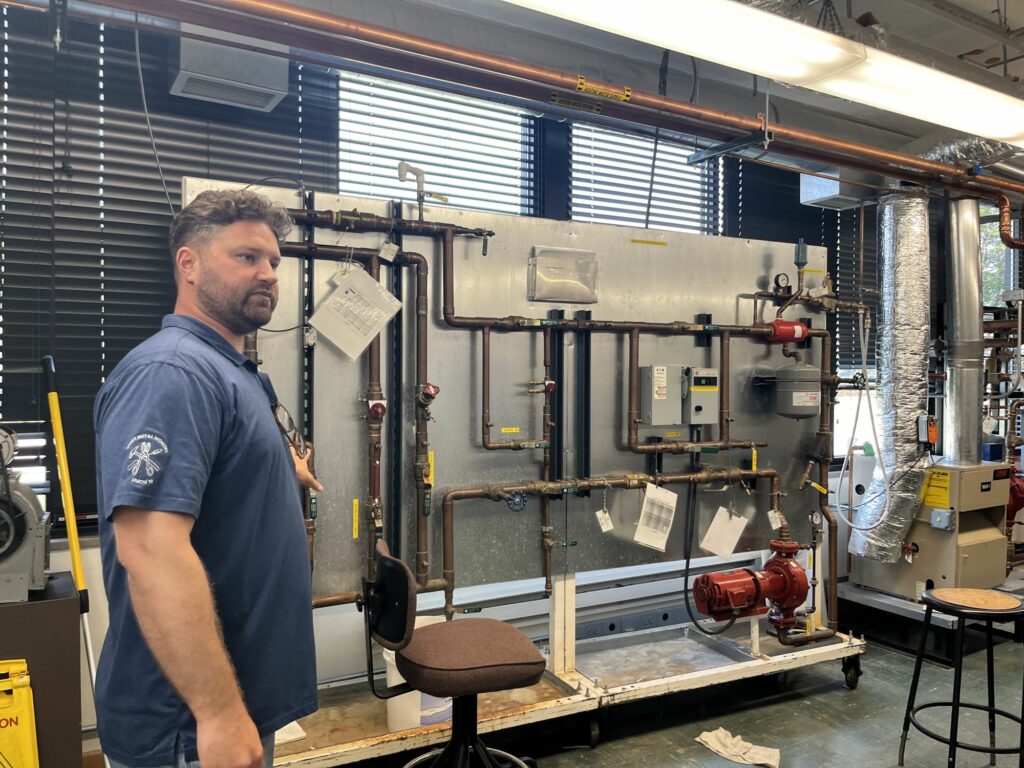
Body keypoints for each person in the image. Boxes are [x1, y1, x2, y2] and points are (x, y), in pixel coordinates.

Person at [94, 189, 322, 768]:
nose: (269, 273)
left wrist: (278, 467)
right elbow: (150, 549)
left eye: (274, 260)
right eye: (246, 257)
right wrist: (218, 713)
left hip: (232, 702)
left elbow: (217, 466)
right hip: (188, 726)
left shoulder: (231, 368)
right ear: (188, 265)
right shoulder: (172, 373)